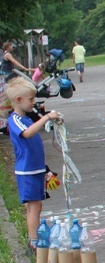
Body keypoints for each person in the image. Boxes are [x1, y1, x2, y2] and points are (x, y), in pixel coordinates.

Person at [5, 76, 61, 252]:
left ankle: (34, 238)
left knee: (37, 205)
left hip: (36, 169)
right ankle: (34, 242)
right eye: (30, 99)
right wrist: (45, 118)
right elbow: (28, 134)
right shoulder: (14, 120)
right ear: (19, 100)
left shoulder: (28, 119)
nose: (33, 102)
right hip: (27, 171)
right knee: (34, 206)